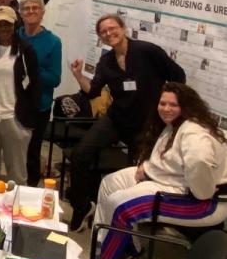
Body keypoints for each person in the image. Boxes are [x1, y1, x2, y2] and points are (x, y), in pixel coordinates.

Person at [68, 14, 186, 231]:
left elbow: (178, 75)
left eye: (112, 28)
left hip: (146, 124)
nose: (108, 33)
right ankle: (82, 206)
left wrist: (168, 106)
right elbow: (93, 91)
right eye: (103, 32)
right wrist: (78, 75)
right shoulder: (106, 61)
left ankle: (133, 220)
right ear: (100, 37)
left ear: (123, 29)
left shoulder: (146, 51)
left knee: (137, 171)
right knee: (80, 154)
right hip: (116, 119)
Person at [95, 83, 227, 259]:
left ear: (186, 107)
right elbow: (170, 161)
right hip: (169, 181)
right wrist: (147, 168)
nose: (166, 109)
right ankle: (121, 245)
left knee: (121, 204)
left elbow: (199, 161)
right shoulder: (174, 124)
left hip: (202, 201)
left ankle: (108, 258)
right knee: (110, 183)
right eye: (162, 103)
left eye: (173, 105)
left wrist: (201, 193)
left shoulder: (193, 130)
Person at [0, 6, 40, 185]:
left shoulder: (25, 50)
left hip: (14, 119)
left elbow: (35, 85)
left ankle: (17, 209)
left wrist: (29, 121)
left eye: (7, 24)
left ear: (15, 24)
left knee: (17, 172)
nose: (3, 28)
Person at [18, 0, 62, 187]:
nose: (31, 11)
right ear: (20, 13)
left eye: (35, 8)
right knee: (15, 150)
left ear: (43, 12)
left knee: (32, 152)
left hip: (38, 106)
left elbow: (54, 79)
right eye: (26, 8)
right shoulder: (14, 36)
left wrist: (31, 71)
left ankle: (31, 189)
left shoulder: (53, 42)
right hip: (13, 102)